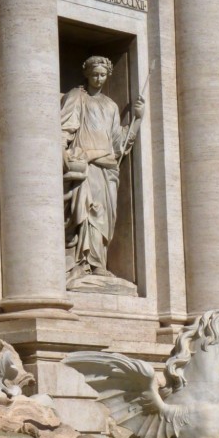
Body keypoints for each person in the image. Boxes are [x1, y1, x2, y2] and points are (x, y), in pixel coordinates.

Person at [60, 56, 144, 284]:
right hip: (87, 164)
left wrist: (137, 119)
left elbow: (119, 143)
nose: (99, 79)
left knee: (106, 217)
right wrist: (63, 152)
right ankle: (87, 264)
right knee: (89, 213)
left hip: (107, 168)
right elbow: (65, 128)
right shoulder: (76, 97)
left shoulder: (111, 106)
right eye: (95, 74)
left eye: (103, 75)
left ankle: (99, 262)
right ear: (87, 74)